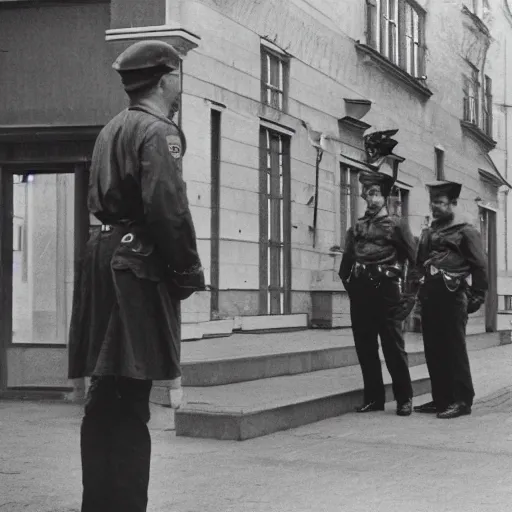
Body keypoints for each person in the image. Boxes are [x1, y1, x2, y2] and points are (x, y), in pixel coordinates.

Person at [68, 40, 204, 512]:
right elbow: (168, 209)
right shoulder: (158, 131)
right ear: (166, 80)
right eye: (179, 75)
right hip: (136, 265)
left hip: (104, 257)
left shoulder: (112, 127)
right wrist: (187, 273)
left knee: (105, 394)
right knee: (129, 395)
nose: (181, 83)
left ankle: (99, 503)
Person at [339, 170, 416, 416]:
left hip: (387, 293)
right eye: (367, 194)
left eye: (375, 194)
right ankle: (374, 399)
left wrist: (409, 297)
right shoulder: (357, 228)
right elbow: (345, 266)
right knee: (365, 348)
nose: (370, 199)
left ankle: (404, 399)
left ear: (384, 197)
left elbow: (415, 262)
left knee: (393, 348)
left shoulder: (397, 225)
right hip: (362, 295)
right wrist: (354, 290)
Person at [414, 181, 487, 419]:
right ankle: (441, 399)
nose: (435, 207)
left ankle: (462, 400)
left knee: (454, 349)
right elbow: (419, 264)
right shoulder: (429, 232)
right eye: (432, 202)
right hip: (431, 295)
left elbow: (480, 265)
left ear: (453, 204)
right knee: (433, 349)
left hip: (454, 294)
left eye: (440, 202)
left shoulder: (465, 230)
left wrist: (477, 295)